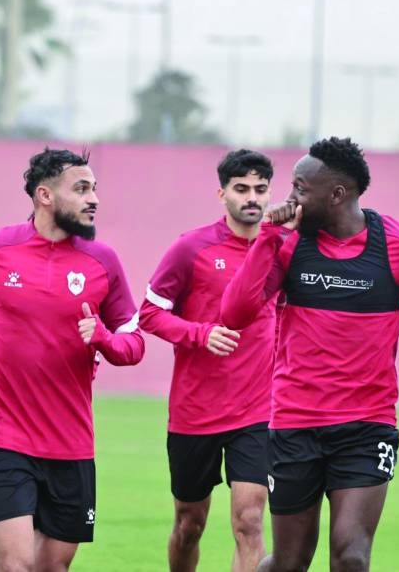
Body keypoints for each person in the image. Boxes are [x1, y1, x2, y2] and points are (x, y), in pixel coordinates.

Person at [219, 136, 399, 572]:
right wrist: (266, 239)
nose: (289, 197)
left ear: (337, 194)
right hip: (295, 424)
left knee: (351, 556)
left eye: (300, 188)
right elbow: (234, 314)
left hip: (366, 426)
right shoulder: (286, 243)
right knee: (289, 562)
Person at [0, 148, 145, 571]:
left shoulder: (104, 262)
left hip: (71, 444)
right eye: (81, 189)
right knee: (15, 564)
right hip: (3, 440)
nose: (93, 199)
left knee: (51, 567)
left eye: (94, 189)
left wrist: (101, 338)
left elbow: (133, 344)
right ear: (44, 196)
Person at [139, 149, 278, 572]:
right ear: (222, 194)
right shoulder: (191, 248)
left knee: (250, 521)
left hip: (258, 411)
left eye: (260, 189)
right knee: (189, 522)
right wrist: (199, 333)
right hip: (195, 411)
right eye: (241, 189)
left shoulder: (284, 249)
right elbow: (149, 314)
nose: (251, 197)